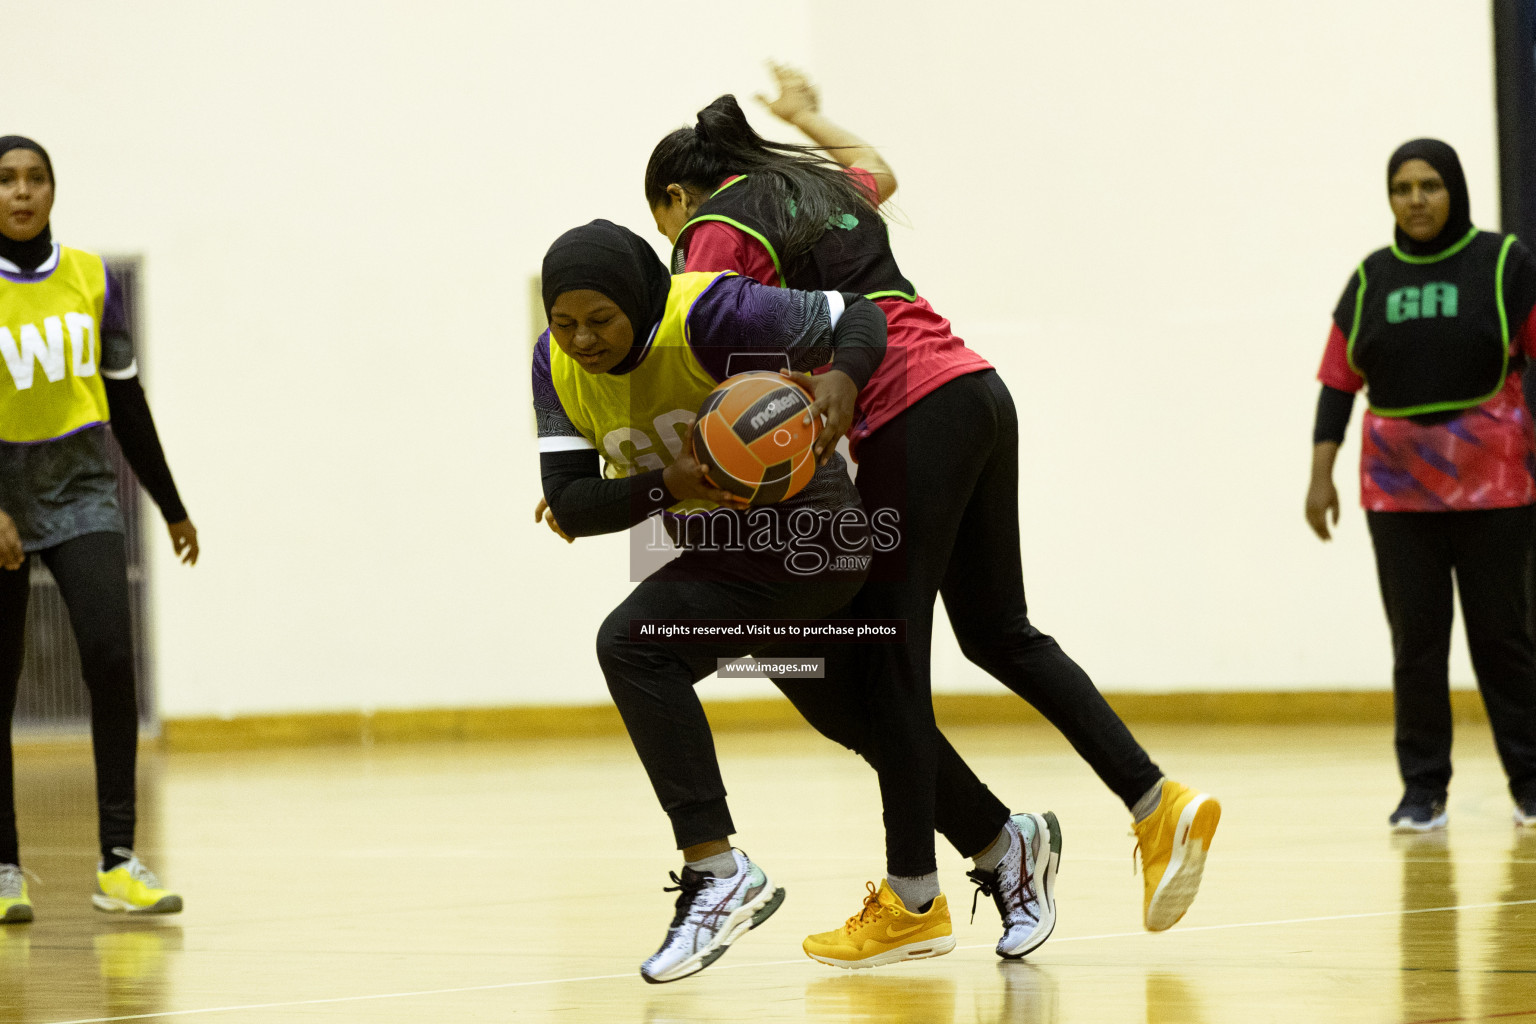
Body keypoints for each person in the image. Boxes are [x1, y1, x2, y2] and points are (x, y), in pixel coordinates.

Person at [642, 68, 1220, 965]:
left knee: (888, 655)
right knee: (1001, 632)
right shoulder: (821, 188)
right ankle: (1156, 803)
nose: (674, 245)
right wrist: (807, 119)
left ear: (676, 196)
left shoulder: (715, 230)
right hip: (976, 389)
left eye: (662, 224)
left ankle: (914, 898)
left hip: (907, 411)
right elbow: (879, 167)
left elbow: (693, 333)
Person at [533, 219, 888, 982]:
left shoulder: (714, 313)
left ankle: (718, 871)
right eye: (563, 323)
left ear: (636, 299)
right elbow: (570, 504)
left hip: (812, 535)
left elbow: (861, 313)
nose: (581, 340)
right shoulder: (553, 366)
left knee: (634, 644)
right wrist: (667, 486)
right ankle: (1003, 839)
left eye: (599, 320)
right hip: (722, 546)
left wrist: (842, 377)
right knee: (859, 721)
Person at [1306, 138, 1536, 832]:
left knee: (1503, 639)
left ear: (1454, 189)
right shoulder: (1373, 277)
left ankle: (1530, 782)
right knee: (1417, 645)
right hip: (1396, 493)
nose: (1415, 200)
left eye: (1429, 185)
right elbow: (1336, 383)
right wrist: (1320, 476)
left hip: (1494, 487)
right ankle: (1422, 790)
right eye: (1402, 188)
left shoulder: (1504, 263)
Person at [0, 136, 195, 923]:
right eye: (6, 179)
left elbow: (127, 401)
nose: (20, 192)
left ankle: (118, 862)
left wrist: (170, 504)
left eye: (34, 178)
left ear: (53, 190)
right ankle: (4, 868)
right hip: (3, 498)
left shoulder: (90, 278)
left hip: (82, 490)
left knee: (112, 657)